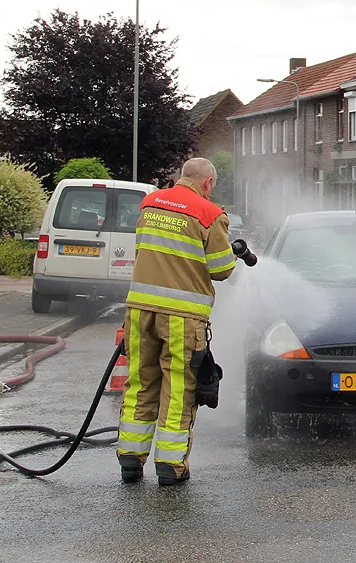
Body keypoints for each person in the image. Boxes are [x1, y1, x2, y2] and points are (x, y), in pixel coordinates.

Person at [116, 158, 236, 485]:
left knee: (140, 380)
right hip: (182, 317)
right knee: (179, 388)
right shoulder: (210, 215)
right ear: (208, 183)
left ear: (182, 177)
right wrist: (233, 251)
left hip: (140, 311)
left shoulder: (150, 204)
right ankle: (170, 467)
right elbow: (222, 270)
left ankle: (130, 459)